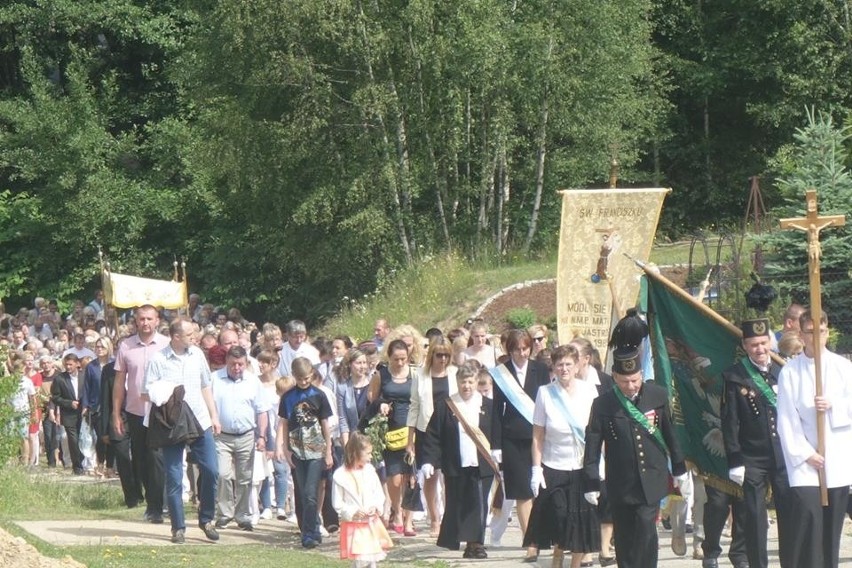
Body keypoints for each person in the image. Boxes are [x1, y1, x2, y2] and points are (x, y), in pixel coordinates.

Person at [583, 347, 687, 568]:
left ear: (641, 375)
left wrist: (679, 467)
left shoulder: (657, 395)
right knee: (624, 535)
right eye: (624, 381)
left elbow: (670, 433)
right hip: (621, 481)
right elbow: (592, 445)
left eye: (635, 380)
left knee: (646, 529)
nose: (630, 386)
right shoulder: (603, 404)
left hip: (651, 477)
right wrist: (591, 481)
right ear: (614, 377)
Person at [777, 310, 852, 568]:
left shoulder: (843, 367)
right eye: (810, 332)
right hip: (806, 462)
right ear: (801, 334)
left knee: (832, 527)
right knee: (810, 519)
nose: (816, 337)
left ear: (827, 332)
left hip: (837, 458)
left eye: (820, 331)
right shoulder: (790, 372)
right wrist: (805, 453)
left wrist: (833, 406)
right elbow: (786, 418)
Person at [720, 318, 791, 568]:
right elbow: (730, 422)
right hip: (752, 458)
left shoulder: (784, 371)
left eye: (763, 343)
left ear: (770, 341)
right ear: (744, 345)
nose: (759, 349)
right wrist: (735, 459)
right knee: (754, 518)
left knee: (789, 515)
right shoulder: (735, 376)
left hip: (784, 456)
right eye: (753, 345)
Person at [144, 318, 221, 544]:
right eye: (189, 334)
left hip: (200, 418)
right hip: (173, 423)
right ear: (176, 337)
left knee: (211, 470)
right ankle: (178, 527)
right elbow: (146, 391)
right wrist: (164, 391)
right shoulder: (158, 359)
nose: (194, 337)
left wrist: (214, 415)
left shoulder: (197, 354)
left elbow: (205, 385)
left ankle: (206, 519)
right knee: (175, 475)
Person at [525, 345, 601, 568]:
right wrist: (536, 469)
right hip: (554, 465)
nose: (564, 368)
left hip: (582, 466)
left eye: (568, 364)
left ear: (577, 366)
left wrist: (600, 466)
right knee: (559, 517)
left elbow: (598, 432)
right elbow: (538, 435)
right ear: (554, 368)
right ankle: (558, 551)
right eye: (560, 364)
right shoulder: (545, 393)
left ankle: (574, 564)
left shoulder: (590, 391)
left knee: (580, 519)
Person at [420, 361, 497, 559]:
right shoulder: (446, 406)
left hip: (482, 463)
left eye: (470, 382)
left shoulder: (488, 405)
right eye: (463, 382)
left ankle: (476, 543)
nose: (467, 386)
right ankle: (465, 541)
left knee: (479, 503)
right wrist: (429, 460)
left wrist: (498, 451)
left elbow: (497, 431)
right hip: (456, 463)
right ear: (457, 382)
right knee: (459, 503)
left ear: (476, 381)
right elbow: (433, 435)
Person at [489, 328, 551, 561]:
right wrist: (496, 445)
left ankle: (543, 534)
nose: (522, 353)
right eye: (517, 349)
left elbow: (547, 401)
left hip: (539, 436)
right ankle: (531, 542)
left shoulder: (541, 369)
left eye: (526, 348)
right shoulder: (501, 373)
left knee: (540, 490)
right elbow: (496, 411)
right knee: (522, 492)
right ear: (510, 350)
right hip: (512, 438)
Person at [112, 304, 170, 524]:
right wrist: (116, 414)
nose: (145, 323)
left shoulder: (166, 345)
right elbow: (119, 383)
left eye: (149, 319)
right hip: (135, 411)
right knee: (141, 460)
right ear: (136, 321)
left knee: (157, 458)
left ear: (157, 321)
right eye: (141, 319)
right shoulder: (126, 346)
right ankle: (151, 501)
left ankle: (158, 506)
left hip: (160, 411)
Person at [275, 357, 334, 549]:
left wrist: (328, 451)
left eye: (307, 378)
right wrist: (284, 448)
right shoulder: (288, 397)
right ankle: (312, 528)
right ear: (294, 376)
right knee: (302, 492)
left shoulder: (319, 395)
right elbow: (283, 423)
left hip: (316, 449)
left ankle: (310, 532)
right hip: (297, 450)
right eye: (300, 379)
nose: (304, 382)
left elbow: (325, 423)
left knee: (310, 492)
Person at [212, 345, 270, 531]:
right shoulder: (215, 379)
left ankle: (243, 515)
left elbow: (262, 411)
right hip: (222, 436)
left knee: (245, 477)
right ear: (226, 362)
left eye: (240, 364)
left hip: (246, 435)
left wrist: (262, 435)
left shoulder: (253, 382)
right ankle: (224, 514)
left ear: (246, 363)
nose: (237, 368)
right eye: (233, 364)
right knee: (222, 475)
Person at [407, 337, 458, 536]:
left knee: (451, 476)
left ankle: (449, 517)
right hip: (427, 430)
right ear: (432, 355)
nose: (443, 359)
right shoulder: (421, 375)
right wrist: (409, 440)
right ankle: (434, 518)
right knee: (430, 475)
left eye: (446, 355)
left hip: (451, 429)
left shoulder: (454, 373)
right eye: (439, 355)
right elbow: (414, 406)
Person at [367, 338, 415, 536]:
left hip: (412, 428)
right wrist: (381, 404)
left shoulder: (415, 373)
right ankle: (397, 509)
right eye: (396, 359)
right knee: (395, 478)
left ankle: (409, 519)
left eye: (404, 358)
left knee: (411, 476)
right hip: (390, 430)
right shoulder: (382, 374)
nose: (400, 363)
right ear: (389, 357)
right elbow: (371, 396)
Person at [332, 432, 393, 568]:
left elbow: (378, 493)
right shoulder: (341, 476)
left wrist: (376, 506)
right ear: (356, 453)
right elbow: (337, 502)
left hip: (370, 522)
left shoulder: (370, 471)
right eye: (368, 453)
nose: (371, 457)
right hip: (355, 524)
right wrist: (351, 511)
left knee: (371, 558)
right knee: (360, 559)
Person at [83, 336, 114, 477]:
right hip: (97, 407)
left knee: (113, 437)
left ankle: (111, 466)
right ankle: (100, 463)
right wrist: (86, 405)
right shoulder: (91, 366)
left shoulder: (115, 364)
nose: (99, 349)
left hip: (113, 405)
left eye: (102, 346)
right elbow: (86, 388)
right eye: (97, 347)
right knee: (101, 437)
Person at [51, 353, 85, 474]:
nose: (68, 367)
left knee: (84, 439)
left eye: (71, 364)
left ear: (77, 364)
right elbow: (55, 397)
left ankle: (86, 462)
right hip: (69, 414)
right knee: (73, 439)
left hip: (84, 413)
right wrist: (69, 403)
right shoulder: (60, 379)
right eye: (66, 365)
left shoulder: (84, 376)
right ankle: (77, 466)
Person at [337, 348, 371, 447]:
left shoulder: (373, 382)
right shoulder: (342, 387)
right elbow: (343, 419)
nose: (362, 366)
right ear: (350, 364)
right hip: (354, 438)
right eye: (358, 363)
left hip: (372, 437)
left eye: (364, 363)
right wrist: (347, 446)